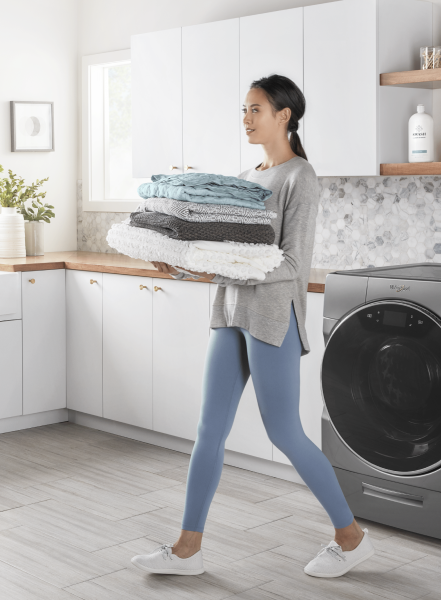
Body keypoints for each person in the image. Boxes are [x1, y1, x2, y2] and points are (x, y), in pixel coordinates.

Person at [130, 74, 374, 579]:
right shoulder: (246, 176)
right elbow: (227, 252)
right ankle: (187, 549)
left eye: (254, 110)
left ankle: (350, 539)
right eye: (243, 110)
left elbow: (291, 264)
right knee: (208, 432)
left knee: (284, 433)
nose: (245, 119)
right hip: (230, 313)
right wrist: (178, 265)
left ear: (284, 115)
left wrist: (219, 269)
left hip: (270, 318)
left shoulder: (299, 177)